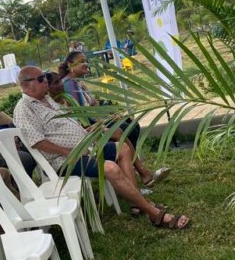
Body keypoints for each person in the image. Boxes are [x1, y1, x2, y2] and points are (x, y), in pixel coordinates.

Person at [13, 66, 189, 229]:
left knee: (123, 148)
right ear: (26, 84)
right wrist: (71, 152)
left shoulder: (48, 100)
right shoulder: (24, 109)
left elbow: (64, 127)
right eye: (41, 78)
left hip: (85, 148)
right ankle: (154, 213)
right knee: (110, 168)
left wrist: (88, 130)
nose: (46, 81)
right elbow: (36, 142)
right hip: (64, 160)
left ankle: (137, 203)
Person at [59, 51, 169, 188]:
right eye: (81, 61)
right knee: (121, 131)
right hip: (87, 126)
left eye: (86, 60)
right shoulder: (69, 84)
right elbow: (82, 115)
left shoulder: (78, 83)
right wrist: (103, 122)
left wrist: (109, 114)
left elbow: (93, 106)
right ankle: (139, 171)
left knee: (131, 125)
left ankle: (135, 170)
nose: (86, 64)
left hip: (95, 120)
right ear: (70, 65)